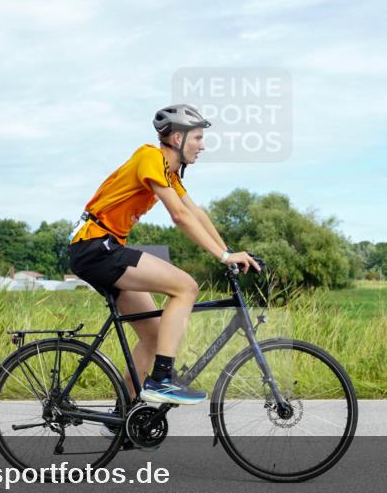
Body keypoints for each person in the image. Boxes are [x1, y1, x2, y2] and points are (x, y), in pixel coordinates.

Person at [68, 104, 261, 406]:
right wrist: (223, 256)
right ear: (176, 139)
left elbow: (195, 212)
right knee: (186, 287)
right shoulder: (149, 157)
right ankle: (161, 381)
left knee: (155, 336)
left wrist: (228, 252)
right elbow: (180, 216)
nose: (203, 145)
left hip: (103, 249)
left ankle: (126, 413)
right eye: (197, 137)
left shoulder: (169, 174)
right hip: (96, 246)